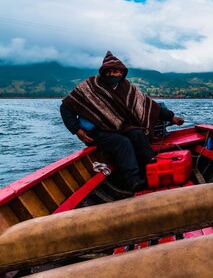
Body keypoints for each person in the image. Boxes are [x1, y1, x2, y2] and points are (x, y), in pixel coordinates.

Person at [60, 51, 184, 192]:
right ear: (103, 72)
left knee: (138, 134)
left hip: (119, 127)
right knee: (122, 142)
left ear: (122, 73)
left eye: (116, 71)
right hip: (95, 132)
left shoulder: (126, 88)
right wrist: (77, 130)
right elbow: (66, 107)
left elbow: (149, 105)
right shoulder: (89, 86)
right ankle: (134, 180)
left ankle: (151, 170)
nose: (112, 74)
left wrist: (171, 117)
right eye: (109, 71)